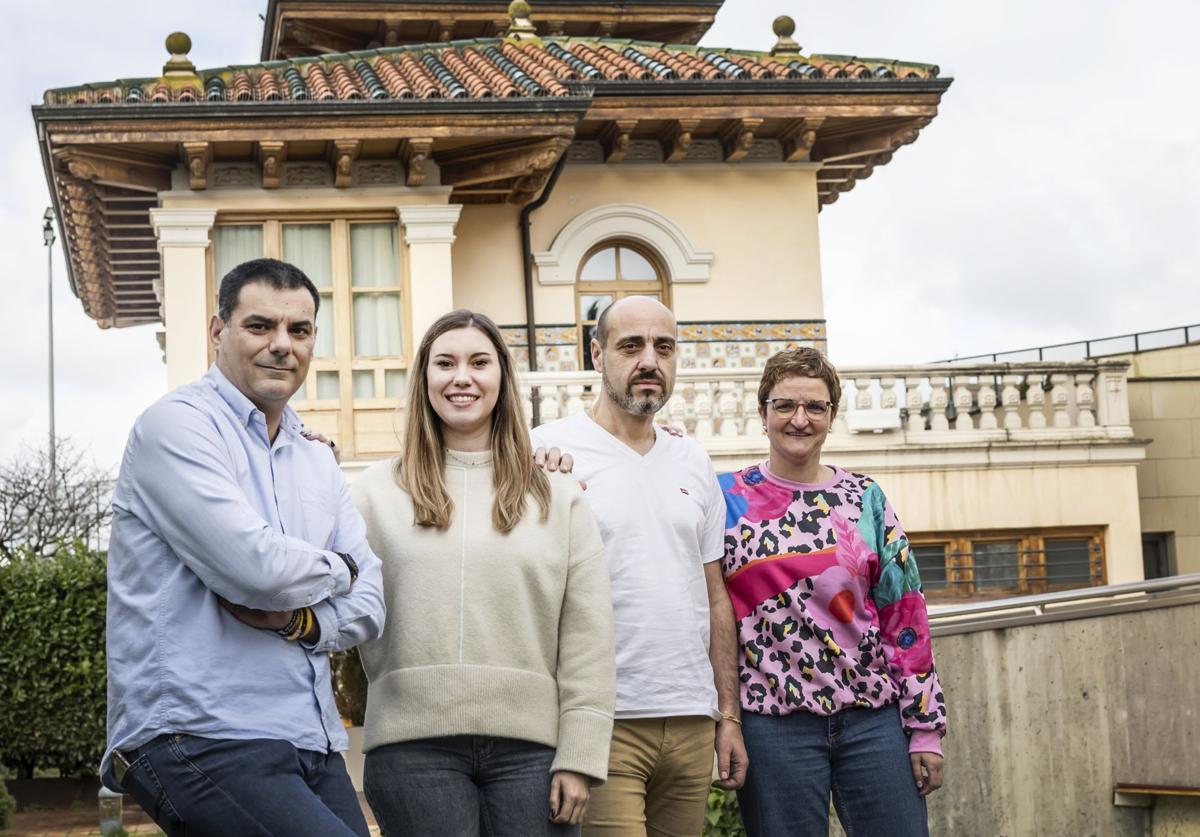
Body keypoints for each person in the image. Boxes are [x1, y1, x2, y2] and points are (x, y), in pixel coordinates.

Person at [102, 258, 386, 836]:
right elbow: (254, 569)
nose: (282, 345)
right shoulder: (177, 428)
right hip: (198, 734)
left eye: (299, 330)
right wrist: (345, 566)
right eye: (260, 326)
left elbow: (373, 603)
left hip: (312, 738)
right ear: (217, 331)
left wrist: (301, 623)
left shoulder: (314, 456)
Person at [351, 309, 616, 837]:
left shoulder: (556, 493)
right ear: (424, 378)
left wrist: (580, 753)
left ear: (502, 378)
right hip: (410, 751)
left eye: (479, 362)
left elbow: (588, 634)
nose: (462, 377)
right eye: (444, 363)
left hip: (535, 755)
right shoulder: (371, 492)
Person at [531, 296, 748, 837]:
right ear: (597, 354)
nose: (649, 360)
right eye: (632, 346)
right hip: (602, 720)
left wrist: (728, 714)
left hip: (692, 720)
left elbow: (714, 595)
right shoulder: (545, 450)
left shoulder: (692, 459)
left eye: (664, 347)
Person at [719, 347, 946, 837]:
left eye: (814, 407)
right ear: (762, 414)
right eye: (784, 406)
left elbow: (905, 615)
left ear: (831, 416)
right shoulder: (723, 497)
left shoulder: (864, 499)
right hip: (774, 723)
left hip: (872, 719)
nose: (799, 419)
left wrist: (925, 726)